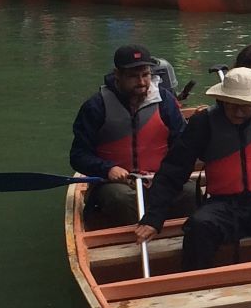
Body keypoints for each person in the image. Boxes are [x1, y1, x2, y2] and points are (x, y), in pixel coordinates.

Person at [135, 67, 251, 269]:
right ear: (222, 100)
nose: (238, 112)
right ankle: (196, 284)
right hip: (224, 205)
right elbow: (173, 170)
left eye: (245, 107)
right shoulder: (203, 123)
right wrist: (154, 218)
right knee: (198, 224)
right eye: (231, 106)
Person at [69, 45, 196, 227]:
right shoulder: (96, 106)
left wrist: (167, 174)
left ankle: (176, 236)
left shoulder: (165, 101)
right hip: (116, 183)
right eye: (133, 76)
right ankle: (133, 236)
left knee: (190, 192)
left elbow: (182, 146)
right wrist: (108, 169)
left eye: (145, 75)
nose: (142, 82)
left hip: (159, 177)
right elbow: (78, 155)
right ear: (118, 75)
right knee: (122, 199)